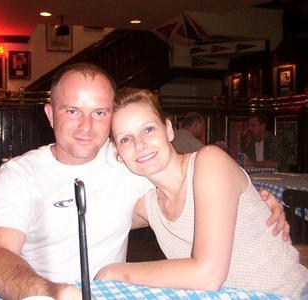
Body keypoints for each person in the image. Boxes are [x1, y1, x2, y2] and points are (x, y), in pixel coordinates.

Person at [0, 63, 289, 300]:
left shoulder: (130, 165)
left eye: (99, 113)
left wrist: (259, 203)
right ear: (49, 114)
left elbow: (200, 187)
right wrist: (47, 291)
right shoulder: (19, 175)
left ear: (169, 130)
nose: (86, 126)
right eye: (72, 110)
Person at [96, 88, 307, 298]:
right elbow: (92, 218)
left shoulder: (209, 162)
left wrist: (116, 272)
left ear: (169, 130)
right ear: (118, 154)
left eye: (148, 129)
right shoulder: (147, 205)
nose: (139, 144)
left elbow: (208, 274)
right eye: (125, 139)